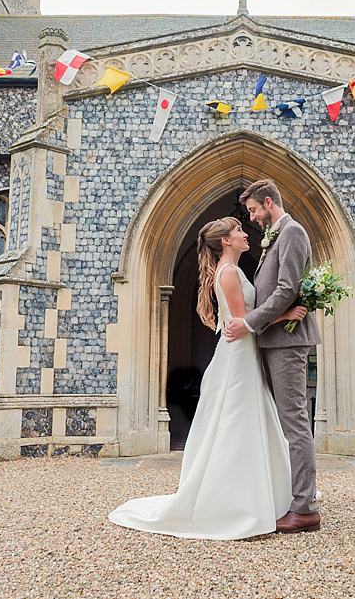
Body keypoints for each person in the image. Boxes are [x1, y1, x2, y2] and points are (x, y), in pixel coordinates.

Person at [108, 216, 306, 539]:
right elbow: (243, 321)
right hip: (238, 357)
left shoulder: (233, 270)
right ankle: (235, 502)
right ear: (226, 241)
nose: (245, 234)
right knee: (237, 425)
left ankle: (261, 494)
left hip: (243, 354)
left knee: (247, 423)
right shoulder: (228, 273)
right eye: (239, 231)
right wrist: (285, 313)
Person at [225, 178, 323, 533]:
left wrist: (249, 323)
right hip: (273, 339)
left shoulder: (293, 232)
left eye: (253, 210)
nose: (252, 218)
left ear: (268, 202)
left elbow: (286, 289)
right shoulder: (275, 237)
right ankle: (293, 495)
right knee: (285, 421)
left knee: (295, 421)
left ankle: (306, 508)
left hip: (287, 341)